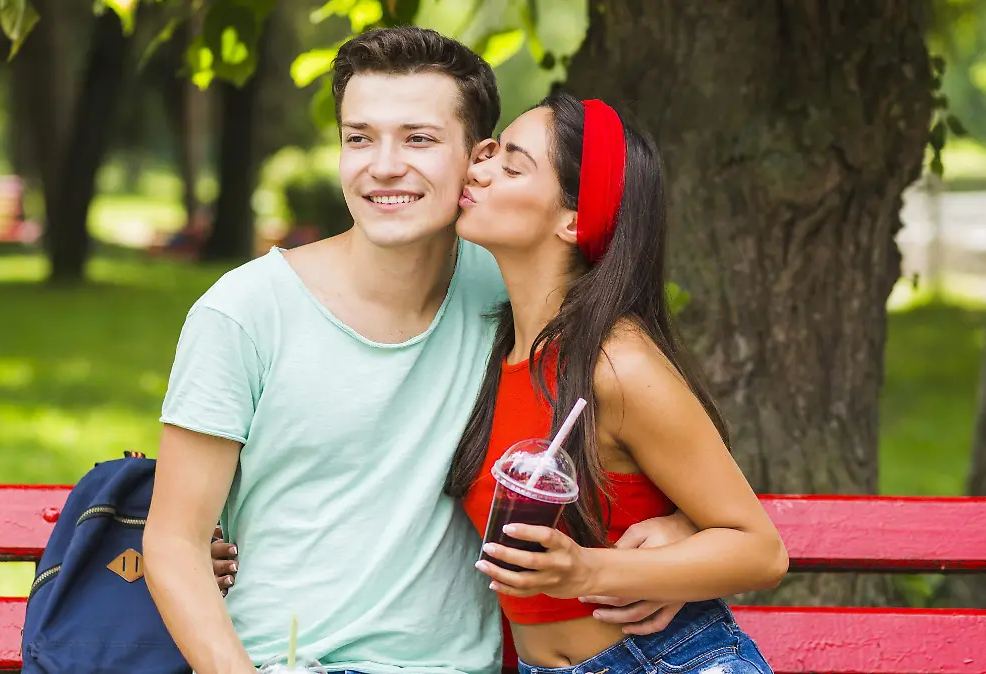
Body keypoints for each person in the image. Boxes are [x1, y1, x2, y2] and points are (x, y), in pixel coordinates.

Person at [145, 27, 698, 674]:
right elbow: (175, 543)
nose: (383, 166)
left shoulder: (516, 296)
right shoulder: (243, 312)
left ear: (478, 159)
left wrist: (683, 531)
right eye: (359, 138)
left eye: (418, 139)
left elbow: (651, 424)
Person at [443, 92, 787, 673]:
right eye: (489, 155)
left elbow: (761, 551)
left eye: (512, 166)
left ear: (575, 220)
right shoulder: (495, 351)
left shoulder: (616, 362)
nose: (478, 170)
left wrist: (592, 572)